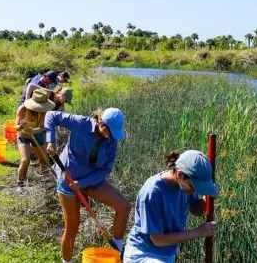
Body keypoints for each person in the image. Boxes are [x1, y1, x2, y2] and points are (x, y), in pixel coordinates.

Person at [44, 108, 131, 263]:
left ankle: (117, 249)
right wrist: (51, 140)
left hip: (91, 180)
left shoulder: (112, 140)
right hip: (69, 179)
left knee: (124, 207)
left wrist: (83, 184)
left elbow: (106, 169)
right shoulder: (81, 123)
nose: (111, 136)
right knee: (72, 227)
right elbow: (51, 115)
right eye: (110, 131)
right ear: (102, 124)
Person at [123, 150, 219, 263]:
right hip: (142, 254)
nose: (195, 190)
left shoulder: (186, 184)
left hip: (167, 254)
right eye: (194, 186)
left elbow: (195, 210)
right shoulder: (152, 193)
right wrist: (198, 232)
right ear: (180, 174)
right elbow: (158, 240)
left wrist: (206, 199)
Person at [15, 88, 56, 191]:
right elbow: (15, 126)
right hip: (23, 135)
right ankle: (20, 183)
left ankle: (44, 182)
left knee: (44, 159)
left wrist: (34, 131)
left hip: (37, 135)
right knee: (25, 160)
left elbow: (42, 128)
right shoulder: (22, 109)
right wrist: (21, 126)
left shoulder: (43, 113)